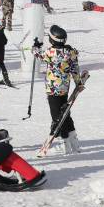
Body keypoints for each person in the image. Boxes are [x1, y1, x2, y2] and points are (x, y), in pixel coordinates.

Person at [32, 25, 82, 153]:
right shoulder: (70, 52)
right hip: (64, 88)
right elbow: (75, 69)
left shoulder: (50, 52)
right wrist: (78, 82)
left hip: (52, 89)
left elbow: (37, 54)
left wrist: (35, 46)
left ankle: (63, 142)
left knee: (57, 117)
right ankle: (74, 141)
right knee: (65, 113)